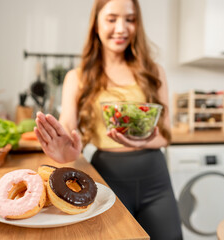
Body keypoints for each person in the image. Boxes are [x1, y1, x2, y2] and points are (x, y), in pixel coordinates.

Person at [34, 0, 183, 239]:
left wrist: (144, 141)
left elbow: (166, 135)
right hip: (107, 177)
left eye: (130, 19)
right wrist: (65, 152)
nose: (122, 28)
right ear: (96, 24)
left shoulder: (154, 72)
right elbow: (68, 127)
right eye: (112, 19)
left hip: (155, 177)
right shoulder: (77, 77)